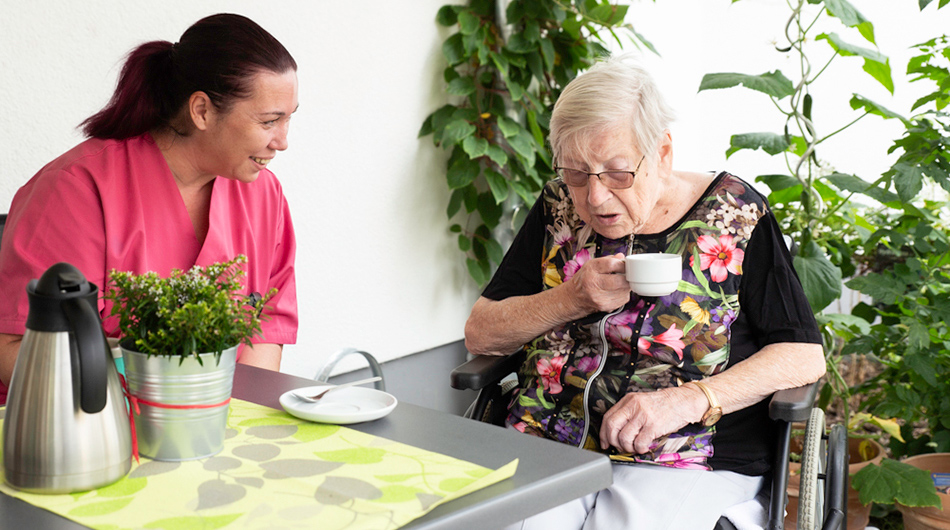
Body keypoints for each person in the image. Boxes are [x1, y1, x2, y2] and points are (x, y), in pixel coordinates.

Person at [464, 54, 826, 529]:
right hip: (549, 438)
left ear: (662, 152)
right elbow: (481, 334)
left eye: (618, 173)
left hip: (684, 453)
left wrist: (689, 400)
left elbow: (802, 355)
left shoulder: (734, 215)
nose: (594, 197)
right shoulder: (558, 208)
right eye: (576, 173)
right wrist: (570, 299)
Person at [0, 13, 299, 405]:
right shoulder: (77, 189)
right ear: (202, 111)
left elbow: (265, 328)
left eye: (289, 119)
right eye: (269, 121)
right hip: (81, 424)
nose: (282, 141)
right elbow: (14, 344)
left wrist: (229, 418)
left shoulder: (263, 196)